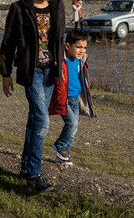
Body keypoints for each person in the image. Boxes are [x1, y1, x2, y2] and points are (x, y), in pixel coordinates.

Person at [0, 0, 65, 193]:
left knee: (34, 120)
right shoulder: (19, 8)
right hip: (32, 72)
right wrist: (5, 74)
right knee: (42, 123)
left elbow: (58, 39)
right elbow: (7, 44)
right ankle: (35, 175)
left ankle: (26, 168)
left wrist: (62, 69)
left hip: (50, 72)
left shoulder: (58, 5)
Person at [48, 30, 96, 166]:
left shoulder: (80, 60)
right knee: (72, 123)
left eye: (84, 48)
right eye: (79, 47)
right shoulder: (61, 59)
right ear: (68, 46)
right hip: (64, 99)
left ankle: (62, 156)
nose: (82, 51)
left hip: (75, 98)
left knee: (73, 129)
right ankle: (60, 144)